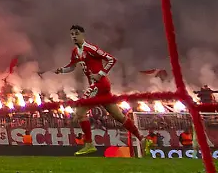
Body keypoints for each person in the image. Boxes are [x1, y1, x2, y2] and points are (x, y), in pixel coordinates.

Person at [53, 25, 152, 156]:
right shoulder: (75, 51)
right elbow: (72, 66)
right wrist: (62, 70)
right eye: (72, 34)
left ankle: (89, 144)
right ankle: (143, 139)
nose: (74, 36)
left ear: (83, 35)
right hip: (98, 86)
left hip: (100, 84)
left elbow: (111, 59)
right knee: (118, 116)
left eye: (76, 33)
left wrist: (100, 74)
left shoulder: (91, 48)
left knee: (80, 112)